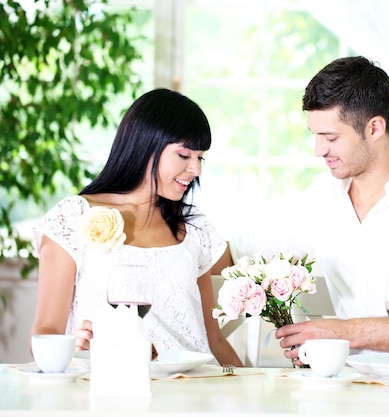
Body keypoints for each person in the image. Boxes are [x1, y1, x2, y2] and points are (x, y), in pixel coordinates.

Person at [227, 56, 389, 365]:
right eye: (314, 135)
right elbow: (241, 250)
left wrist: (344, 332)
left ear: (375, 127)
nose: (319, 150)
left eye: (330, 137)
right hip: (348, 386)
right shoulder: (321, 197)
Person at [31, 88, 243, 367]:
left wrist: (254, 391)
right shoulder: (74, 217)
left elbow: (213, 340)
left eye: (200, 157)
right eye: (184, 155)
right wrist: (75, 349)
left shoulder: (193, 226)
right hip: (107, 388)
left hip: (194, 392)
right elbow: (47, 331)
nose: (197, 170)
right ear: (146, 146)